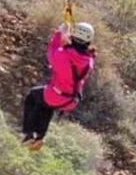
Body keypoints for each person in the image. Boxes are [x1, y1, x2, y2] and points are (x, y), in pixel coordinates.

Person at [21, 21, 95, 150]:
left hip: (56, 94)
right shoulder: (89, 61)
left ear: (74, 36)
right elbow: (77, 54)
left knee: (33, 97)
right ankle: (39, 136)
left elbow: (51, 52)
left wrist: (60, 33)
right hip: (71, 100)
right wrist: (68, 39)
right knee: (46, 105)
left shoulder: (63, 54)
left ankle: (30, 134)